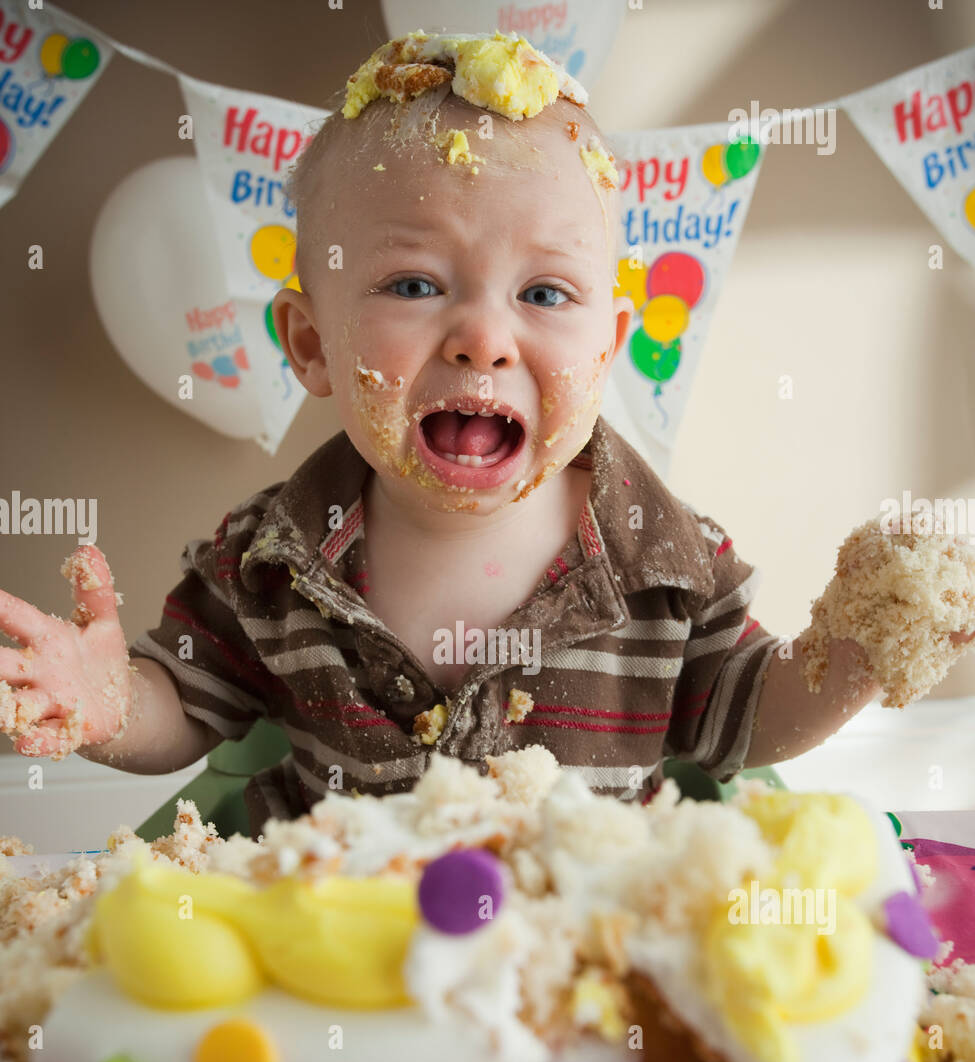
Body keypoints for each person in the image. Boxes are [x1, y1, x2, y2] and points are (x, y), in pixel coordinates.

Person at [0, 33, 966, 836]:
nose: (482, 337)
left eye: (544, 293)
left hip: (570, 957)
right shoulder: (269, 560)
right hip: (333, 948)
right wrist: (109, 704)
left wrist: (863, 650)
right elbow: (187, 705)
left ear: (608, 348)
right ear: (311, 344)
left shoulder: (667, 566)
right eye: (415, 285)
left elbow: (749, 717)